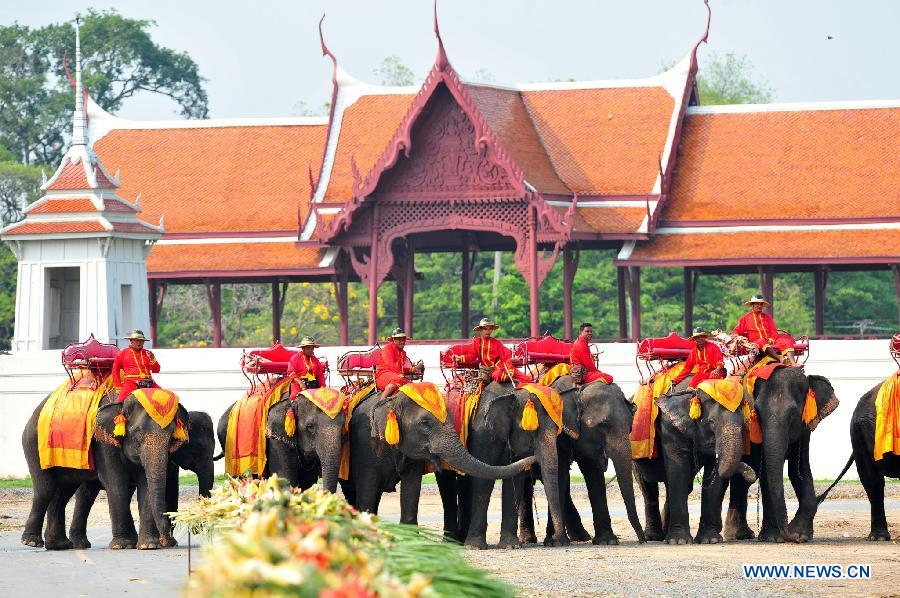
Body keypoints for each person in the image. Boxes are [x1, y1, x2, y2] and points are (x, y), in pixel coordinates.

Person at [456, 318, 531, 384]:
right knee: (496, 375)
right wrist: (460, 358)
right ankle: (511, 379)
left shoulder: (497, 343)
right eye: (485, 329)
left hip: (499, 368)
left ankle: (513, 379)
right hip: (486, 370)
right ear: (480, 330)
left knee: (527, 379)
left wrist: (510, 371)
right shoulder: (476, 342)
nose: (488, 331)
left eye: (490, 329)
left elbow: (505, 358)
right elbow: (472, 356)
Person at [732, 294, 795, 363]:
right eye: (757, 304)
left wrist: (772, 338)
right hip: (756, 342)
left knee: (786, 339)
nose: (759, 306)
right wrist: (740, 339)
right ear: (752, 305)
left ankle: (793, 363)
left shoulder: (767, 317)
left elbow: (774, 331)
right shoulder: (745, 318)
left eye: (761, 304)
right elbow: (736, 331)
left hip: (770, 341)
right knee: (761, 340)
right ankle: (779, 357)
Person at [111, 330, 160, 401]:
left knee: (165, 397)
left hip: (149, 382)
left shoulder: (148, 353)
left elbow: (156, 370)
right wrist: (118, 387)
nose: (139, 342)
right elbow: (115, 371)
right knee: (120, 402)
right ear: (131, 341)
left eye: (141, 341)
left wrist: (152, 359)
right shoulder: (122, 353)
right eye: (136, 340)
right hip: (131, 383)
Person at [376, 328, 423, 399]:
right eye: (399, 339)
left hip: (396, 375)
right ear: (393, 340)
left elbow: (399, 368)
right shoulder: (388, 349)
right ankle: (381, 402)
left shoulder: (402, 353)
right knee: (398, 380)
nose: (402, 341)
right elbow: (390, 365)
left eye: (403, 339)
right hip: (383, 373)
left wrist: (414, 369)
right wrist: (401, 375)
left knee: (413, 386)